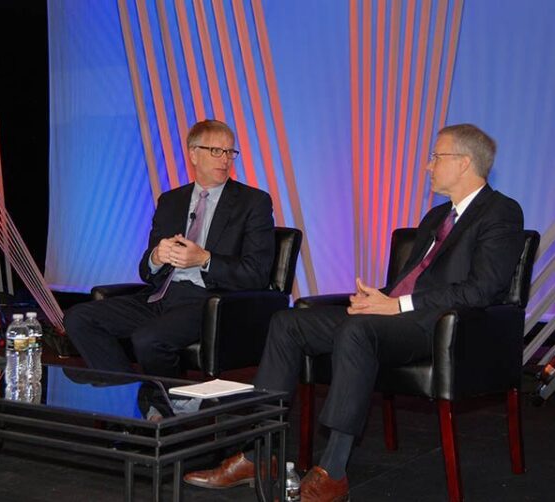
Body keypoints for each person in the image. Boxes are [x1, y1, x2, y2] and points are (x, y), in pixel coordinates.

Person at [183, 124, 525, 501]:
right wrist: (378, 298)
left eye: (435, 157)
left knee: (357, 332)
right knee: (288, 322)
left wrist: (396, 305)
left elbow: (482, 289)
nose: (428, 166)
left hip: (440, 327)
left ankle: (333, 470)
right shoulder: (436, 217)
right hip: (396, 317)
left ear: (463, 163)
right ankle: (257, 453)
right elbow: (413, 279)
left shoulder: (501, 212)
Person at [64, 119, 275, 377]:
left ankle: (168, 399)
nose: (225, 159)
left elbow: (257, 273)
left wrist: (205, 259)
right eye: (216, 151)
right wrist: (156, 257)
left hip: (209, 302)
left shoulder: (253, 202)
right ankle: (122, 389)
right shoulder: (171, 201)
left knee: (148, 339)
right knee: (78, 318)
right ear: (193, 154)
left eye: (230, 152)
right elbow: (146, 271)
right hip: (161, 296)